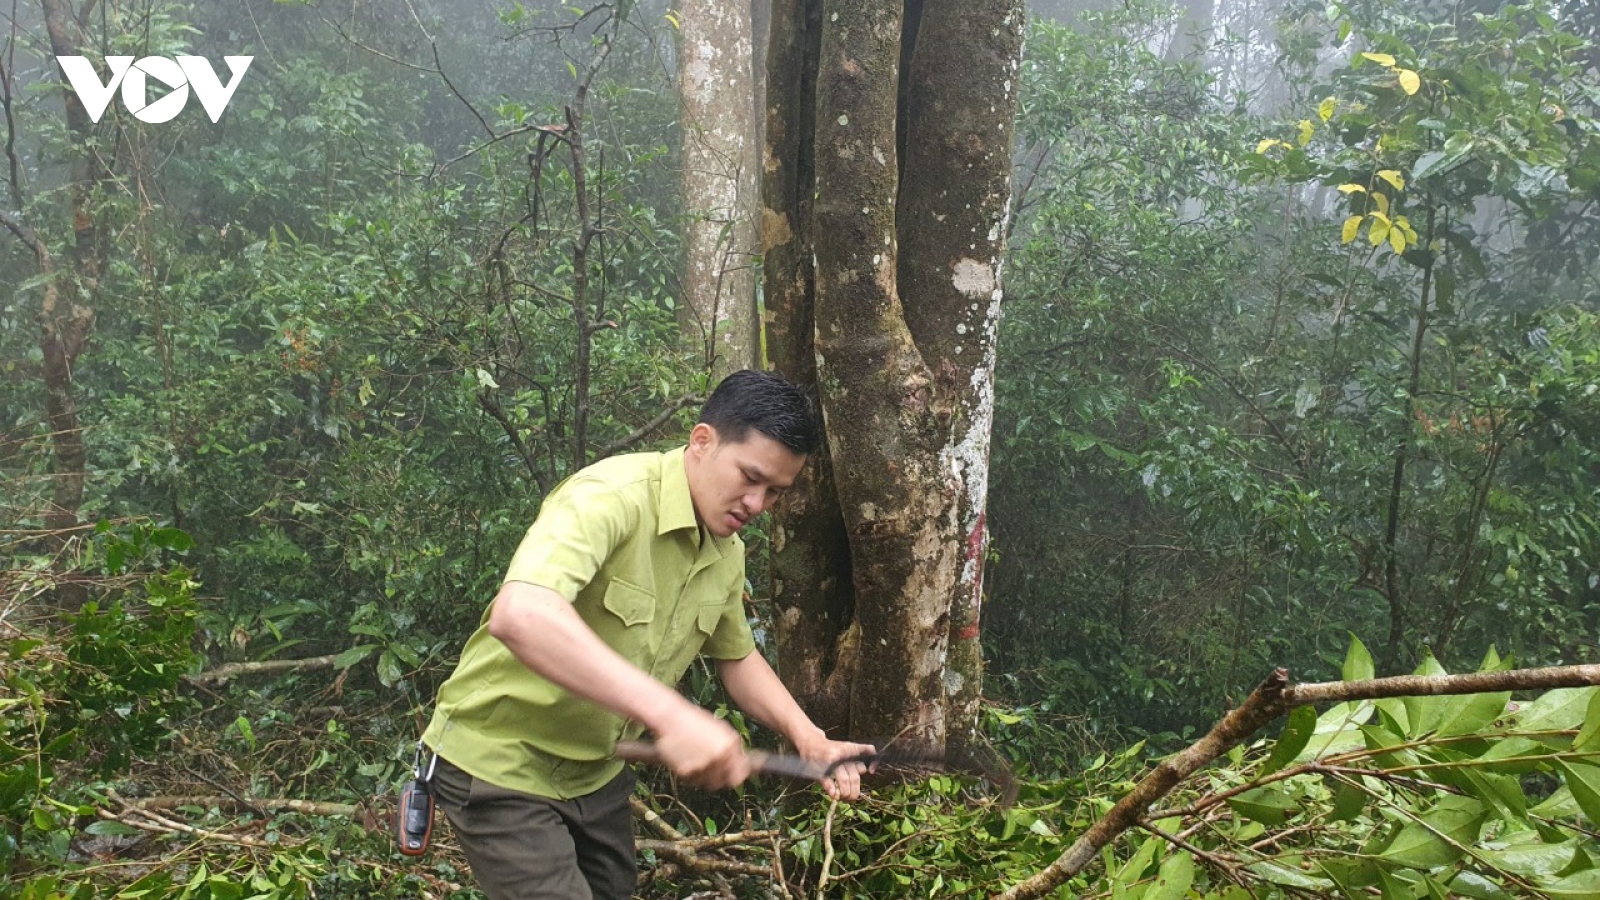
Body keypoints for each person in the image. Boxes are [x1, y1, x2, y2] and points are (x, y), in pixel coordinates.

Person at [421, 369, 874, 900]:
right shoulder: (608, 497)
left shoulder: (725, 550)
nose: (757, 504)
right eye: (749, 477)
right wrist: (673, 715)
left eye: (775, 491)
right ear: (702, 442)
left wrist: (808, 738)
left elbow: (736, 657)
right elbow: (522, 613)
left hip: (597, 771)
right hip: (500, 759)